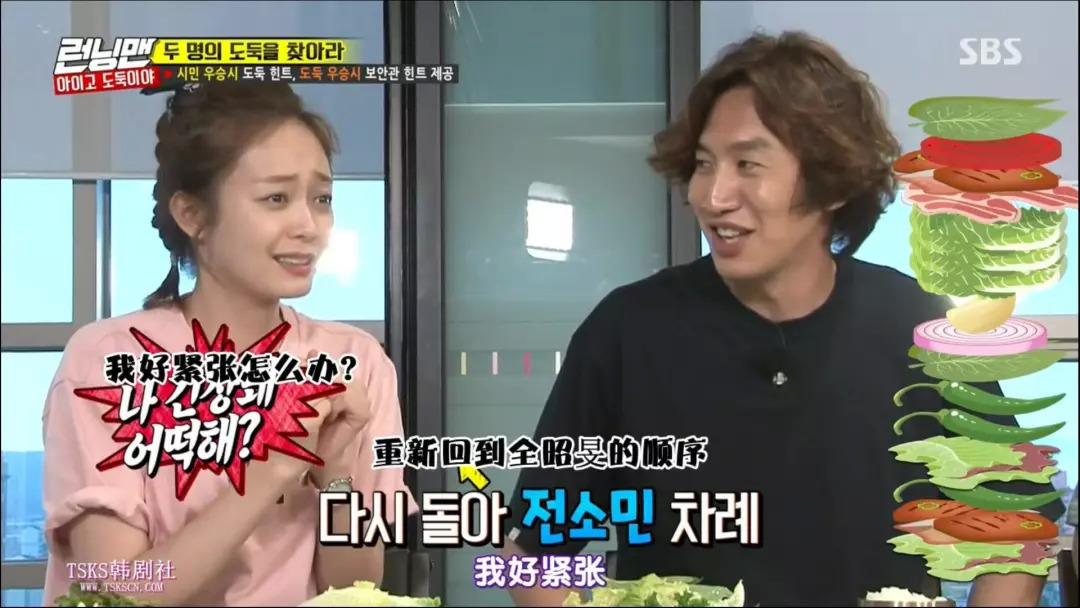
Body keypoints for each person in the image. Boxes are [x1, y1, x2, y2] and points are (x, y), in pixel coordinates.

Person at [502, 31, 1063, 607]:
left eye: (748, 164)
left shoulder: (917, 326)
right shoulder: (628, 332)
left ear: (830, 181)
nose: (713, 196)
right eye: (703, 165)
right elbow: (533, 552)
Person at [41, 81, 416, 606]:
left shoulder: (356, 362)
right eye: (276, 198)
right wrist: (274, 467)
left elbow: (354, 591)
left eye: (322, 199)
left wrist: (335, 478)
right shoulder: (107, 360)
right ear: (192, 215)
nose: (309, 226)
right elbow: (115, 593)